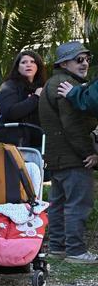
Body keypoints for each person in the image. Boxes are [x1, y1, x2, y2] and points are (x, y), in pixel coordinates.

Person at [40, 41, 98, 262]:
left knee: (59, 203)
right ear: (64, 63)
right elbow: (72, 126)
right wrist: (88, 153)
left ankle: (57, 248)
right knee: (78, 204)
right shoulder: (66, 85)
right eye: (79, 60)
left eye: (86, 59)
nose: (85, 64)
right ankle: (76, 251)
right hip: (73, 157)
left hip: (56, 157)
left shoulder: (52, 83)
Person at [0, 49, 45, 127]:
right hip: (10, 136)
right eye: (23, 62)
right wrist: (35, 97)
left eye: (32, 62)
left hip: (38, 136)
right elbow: (10, 112)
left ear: (38, 66)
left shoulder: (42, 88)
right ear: (17, 67)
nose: (28, 65)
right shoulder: (9, 86)